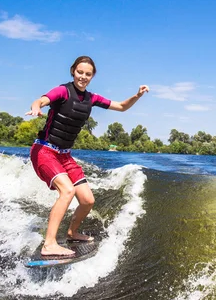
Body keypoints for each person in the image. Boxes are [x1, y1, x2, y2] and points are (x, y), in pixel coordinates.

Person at [26, 55, 149, 257]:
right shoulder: (62, 91)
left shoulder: (92, 98)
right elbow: (41, 99)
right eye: (79, 72)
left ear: (92, 76)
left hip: (65, 156)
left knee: (87, 200)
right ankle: (49, 244)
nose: (83, 76)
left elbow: (121, 106)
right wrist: (36, 108)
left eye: (88, 74)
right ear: (73, 71)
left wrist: (137, 96)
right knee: (67, 191)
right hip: (45, 151)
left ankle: (72, 232)